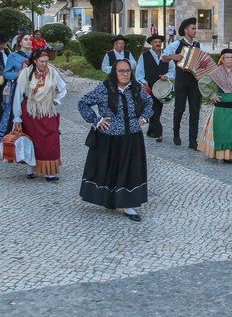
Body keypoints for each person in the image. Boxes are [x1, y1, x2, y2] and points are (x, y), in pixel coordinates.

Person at [78, 59, 154, 222]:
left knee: (129, 171)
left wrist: (145, 117)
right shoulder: (104, 89)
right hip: (109, 138)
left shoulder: (135, 88)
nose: (125, 74)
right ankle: (110, 200)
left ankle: (128, 205)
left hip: (132, 137)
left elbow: (148, 102)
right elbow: (83, 103)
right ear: (114, 72)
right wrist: (96, 120)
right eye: (121, 71)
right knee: (110, 170)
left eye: (127, 71)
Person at [11, 49, 67, 180]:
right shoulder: (25, 73)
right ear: (35, 61)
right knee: (31, 139)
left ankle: (49, 172)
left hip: (47, 111)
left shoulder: (53, 72)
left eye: (46, 61)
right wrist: (17, 116)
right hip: (31, 112)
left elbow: (63, 88)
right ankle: (30, 169)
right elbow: (18, 95)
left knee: (51, 139)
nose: (44, 64)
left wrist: (56, 100)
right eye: (41, 61)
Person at [162, 17, 205, 150]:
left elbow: (203, 61)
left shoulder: (199, 45)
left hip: (195, 82)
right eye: (193, 28)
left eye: (195, 28)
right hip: (181, 81)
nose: (195, 31)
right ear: (186, 30)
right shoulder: (176, 45)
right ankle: (176, 133)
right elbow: (163, 58)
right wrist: (173, 57)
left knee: (195, 111)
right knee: (179, 109)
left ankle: (193, 141)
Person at [135, 34, 175, 142]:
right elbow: (139, 73)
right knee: (152, 109)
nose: (158, 43)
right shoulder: (145, 56)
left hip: (161, 89)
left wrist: (167, 76)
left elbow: (173, 71)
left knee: (157, 110)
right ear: (151, 44)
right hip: (148, 88)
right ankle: (158, 133)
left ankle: (151, 131)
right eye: (155, 42)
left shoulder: (166, 56)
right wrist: (143, 82)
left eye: (159, 42)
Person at [0, 32, 33, 138]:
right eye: (25, 39)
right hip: (19, 87)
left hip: (33, 87)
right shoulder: (13, 56)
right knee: (16, 111)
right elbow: (6, 73)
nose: (28, 41)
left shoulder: (35, 55)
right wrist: (19, 73)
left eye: (30, 39)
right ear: (20, 42)